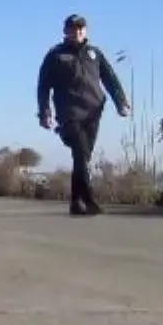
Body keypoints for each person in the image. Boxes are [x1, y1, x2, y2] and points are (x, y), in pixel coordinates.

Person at [36, 14, 131, 215]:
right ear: (65, 31)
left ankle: (77, 202)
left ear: (85, 31)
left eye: (80, 28)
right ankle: (87, 199)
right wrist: (45, 113)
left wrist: (120, 102)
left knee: (83, 157)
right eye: (73, 28)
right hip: (69, 112)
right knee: (80, 151)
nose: (77, 32)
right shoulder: (56, 55)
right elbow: (43, 86)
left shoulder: (94, 54)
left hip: (93, 111)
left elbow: (110, 79)